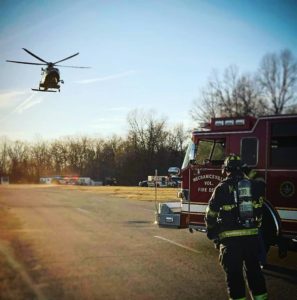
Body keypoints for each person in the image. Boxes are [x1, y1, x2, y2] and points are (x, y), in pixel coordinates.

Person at [205, 154, 268, 300]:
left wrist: (211, 231)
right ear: (242, 169)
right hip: (252, 239)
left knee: (235, 279)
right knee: (255, 275)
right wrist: (247, 169)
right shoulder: (255, 186)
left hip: (230, 243)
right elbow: (261, 180)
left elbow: (211, 214)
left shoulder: (221, 188)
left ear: (225, 170)